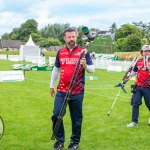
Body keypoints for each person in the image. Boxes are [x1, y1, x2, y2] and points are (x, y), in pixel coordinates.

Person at [50, 28, 94, 150]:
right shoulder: (60, 52)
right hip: (62, 90)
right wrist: (51, 85)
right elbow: (56, 70)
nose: (71, 39)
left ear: (76, 37)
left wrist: (85, 66)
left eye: (73, 37)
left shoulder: (83, 51)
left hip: (77, 91)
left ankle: (74, 142)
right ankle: (59, 141)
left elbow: (92, 69)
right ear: (65, 38)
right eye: (69, 37)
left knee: (76, 119)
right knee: (56, 115)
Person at [124, 45, 150, 127]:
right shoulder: (138, 61)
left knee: (149, 104)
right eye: (145, 51)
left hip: (148, 87)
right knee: (135, 103)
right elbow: (134, 72)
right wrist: (126, 78)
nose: (146, 53)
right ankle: (134, 122)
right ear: (142, 52)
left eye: (148, 51)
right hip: (138, 86)